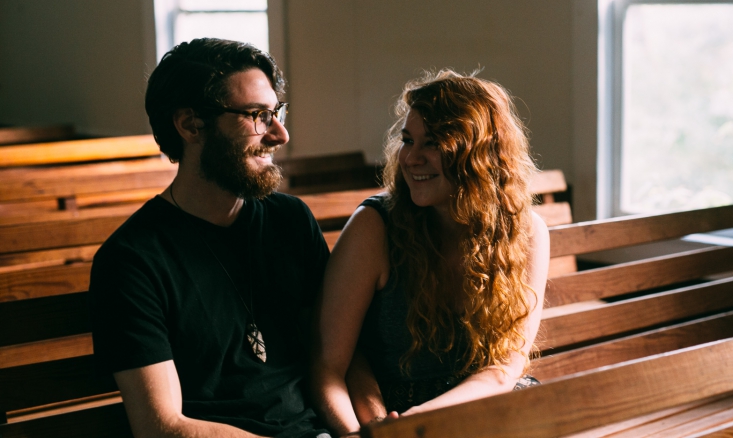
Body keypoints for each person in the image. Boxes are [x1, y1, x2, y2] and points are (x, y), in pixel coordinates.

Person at [89, 38, 332, 438]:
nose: (280, 134)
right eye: (256, 115)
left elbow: (332, 360)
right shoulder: (132, 260)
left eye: (275, 112)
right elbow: (161, 427)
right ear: (190, 125)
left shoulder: (290, 221)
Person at [311, 70, 550, 436]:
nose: (411, 158)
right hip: (389, 418)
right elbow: (329, 367)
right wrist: (362, 435)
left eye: (433, 143)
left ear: (478, 155)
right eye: (409, 140)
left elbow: (506, 366)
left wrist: (423, 419)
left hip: (478, 406)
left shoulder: (525, 231)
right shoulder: (374, 227)